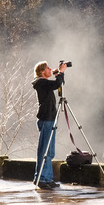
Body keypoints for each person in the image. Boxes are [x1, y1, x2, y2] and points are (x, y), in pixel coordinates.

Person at [32, 61, 68, 189]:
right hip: (46, 118)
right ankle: (41, 179)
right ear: (42, 71)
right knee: (45, 150)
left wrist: (58, 74)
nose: (50, 69)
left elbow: (57, 84)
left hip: (50, 118)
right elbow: (56, 84)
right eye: (47, 68)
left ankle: (47, 178)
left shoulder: (43, 83)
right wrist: (61, 72)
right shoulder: (40, 82)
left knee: (50, 151)